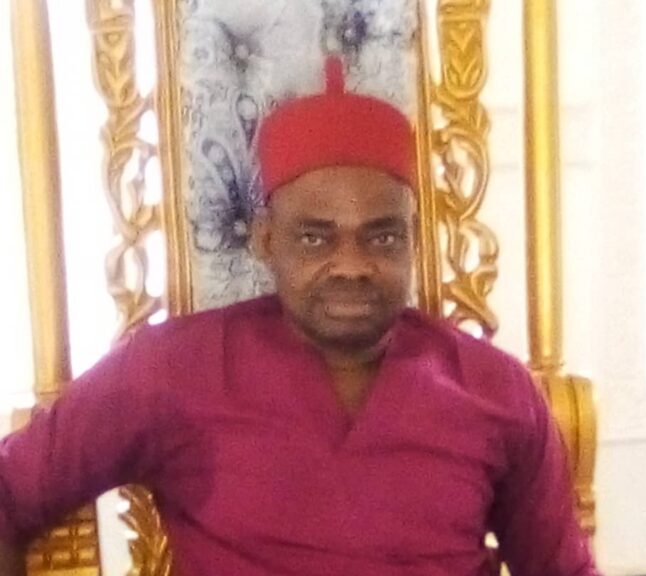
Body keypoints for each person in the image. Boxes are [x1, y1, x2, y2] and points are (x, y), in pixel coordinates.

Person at [0, 58, 598, 576]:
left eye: (383, 237)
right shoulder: (171, 369)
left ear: (414, 240)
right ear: (266, 240)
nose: (352, 266)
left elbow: (561, 568)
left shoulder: (496, 389)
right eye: (315, 238)